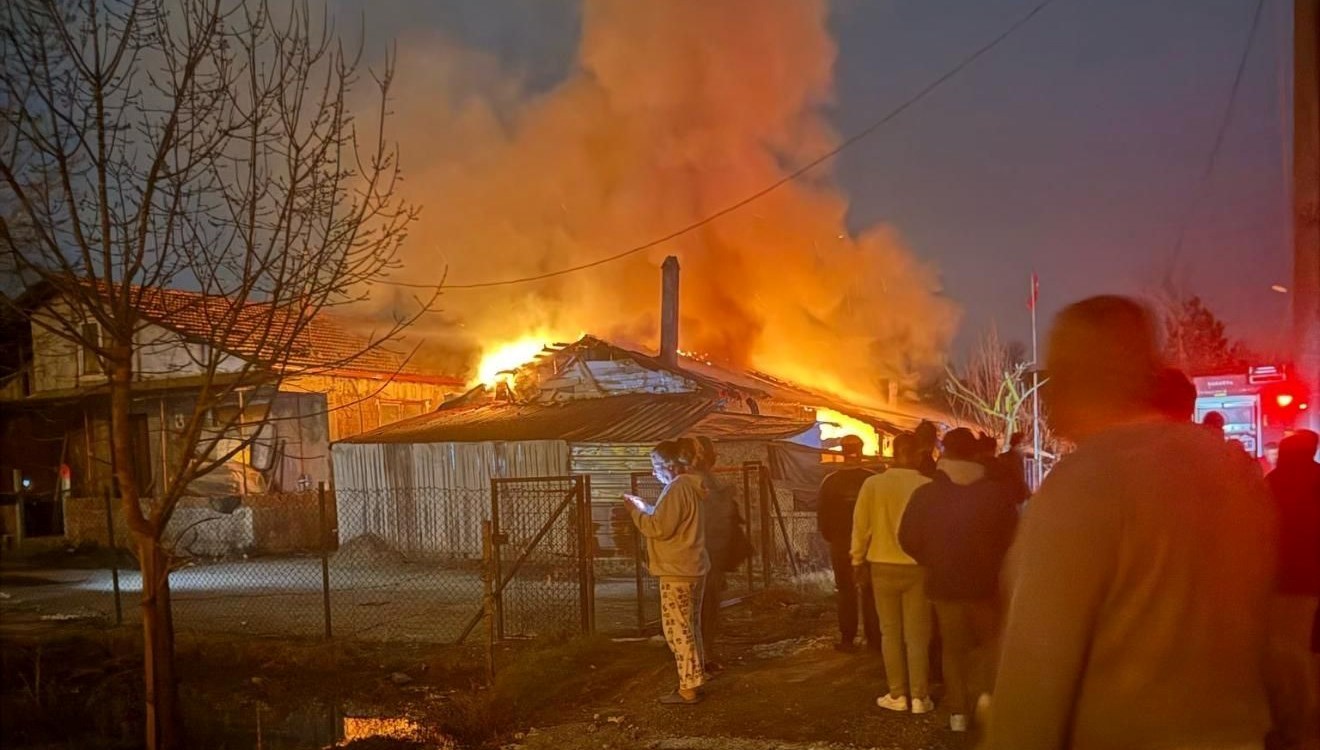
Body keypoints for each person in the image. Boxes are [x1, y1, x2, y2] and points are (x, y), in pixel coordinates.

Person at [985, 296, 1278, 749]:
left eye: (1056, 371)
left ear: (1085, 373)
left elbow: (1033, 672)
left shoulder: (1085, 483)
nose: (1048, 391)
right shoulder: (1232, 469)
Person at [900, 428, 1017, 734]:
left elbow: (908, 539)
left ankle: (958, 714)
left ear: (944, 454)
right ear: (975, 454)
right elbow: (1013, 538)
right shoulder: (996, 494)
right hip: (987, 586)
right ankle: (989, 703)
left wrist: (932, 560)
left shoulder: (926, 494)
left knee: (953, 649)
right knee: (991, 645)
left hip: (944, 584)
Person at [851, 433, 934, 714]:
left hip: (882, 566)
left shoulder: (873, 485)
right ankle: (920, 697)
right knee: (917, 634)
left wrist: (857, 560)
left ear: (893, 452)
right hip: (918, 568)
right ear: (918, 454)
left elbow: (860, 526)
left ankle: (897, 694)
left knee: (890, 633)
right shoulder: (926, 485)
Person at [625, 439, 710, 705]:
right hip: (692, 567)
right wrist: (647, 508)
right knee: (691, 626)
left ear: (672, 465)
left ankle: (688, 688)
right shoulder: (689, 487)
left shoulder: (677, 488)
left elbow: (658, 528)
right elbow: (669, 522)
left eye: (657, 465)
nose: (654, 472)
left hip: (677, 570)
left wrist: (635, 512)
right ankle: (695, 678)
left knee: (677, 629)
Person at [1264, 430, 1320, 743]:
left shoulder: (1272, 482)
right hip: (1311, 577)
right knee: (1307, 650)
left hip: (1280, 579)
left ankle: (1291, 721)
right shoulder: (1316, 479)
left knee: (1286, 651)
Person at [817, 434, 881, 652]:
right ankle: (874, 640)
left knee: (845, 590)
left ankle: (847, 638)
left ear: (842, 452)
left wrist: (834, 538)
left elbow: (822, 517)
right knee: (870, 592)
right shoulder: (872, 480)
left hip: (841, 544)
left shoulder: (830, 482)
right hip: (870, 544)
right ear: (861, 450)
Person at [691, 435, 742, 675]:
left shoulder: (705, 480)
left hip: (711, 556)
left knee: (707, 610)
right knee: (703, 610)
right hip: (705, 557)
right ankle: (701, 659)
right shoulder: (698, 482)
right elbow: (710, 523)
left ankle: (703, 656)